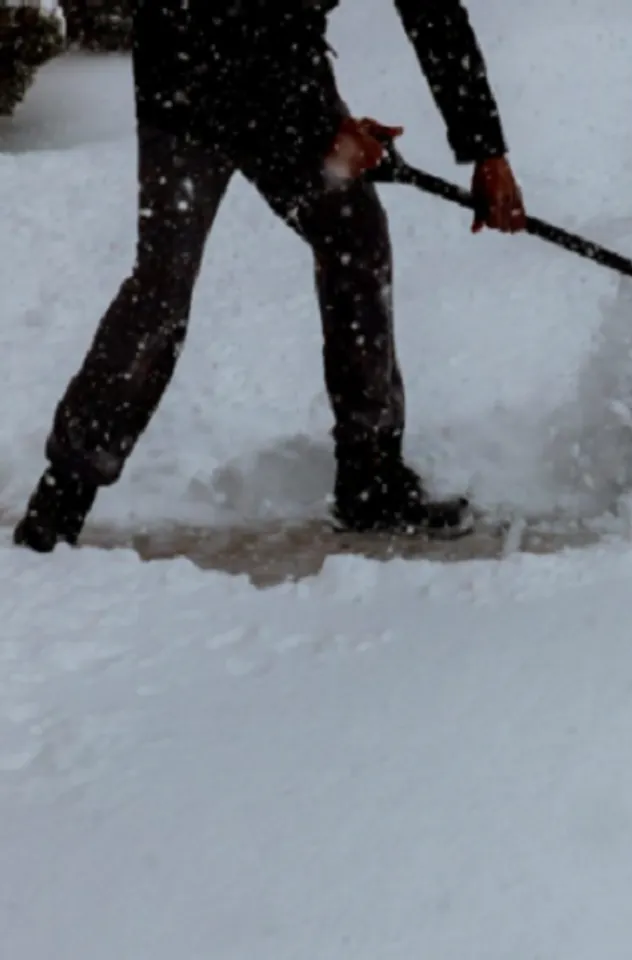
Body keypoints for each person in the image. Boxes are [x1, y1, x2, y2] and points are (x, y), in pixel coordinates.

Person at [13, 0, 527, 553]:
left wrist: (486, 152)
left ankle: (370, 479)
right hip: (186, 73)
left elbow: (434, 15)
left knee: (355, 239)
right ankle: (61, 498)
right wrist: (321, 131)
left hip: (278, 71)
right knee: (162, 286)